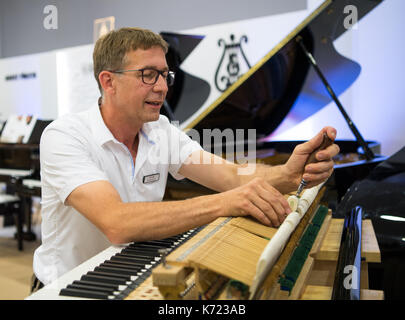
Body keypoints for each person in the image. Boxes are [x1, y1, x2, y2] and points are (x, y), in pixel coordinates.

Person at [32, 27, 339, 289]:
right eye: (148, 75)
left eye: (165, 75)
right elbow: (116, 222)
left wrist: (288, 173)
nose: (163, 87)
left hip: (129, 277)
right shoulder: (65, 136)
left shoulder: (160, 130)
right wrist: (226, 202)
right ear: (108, 81)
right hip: (67, 286)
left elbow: (231, 177)